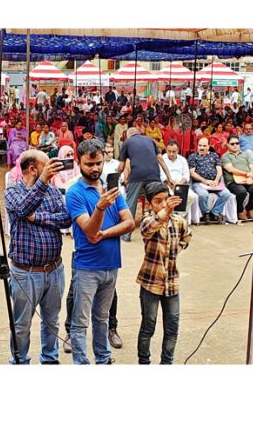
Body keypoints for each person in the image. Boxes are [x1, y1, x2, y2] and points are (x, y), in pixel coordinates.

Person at [65, 139, 135, 364]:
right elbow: (88, 229)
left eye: (99, 163)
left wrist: (105, 234)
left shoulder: (111, 188)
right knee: (80, 321)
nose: (95, 168)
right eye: (89, 164)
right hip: (86, 266)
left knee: (102, 318)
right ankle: (81, 363)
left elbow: (129, 223)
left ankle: (103, 359)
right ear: (79, 163)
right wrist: (101, 207)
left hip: (111, 265)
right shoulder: (74, 193)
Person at [4, 150, 71, 364]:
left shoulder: (51, 190)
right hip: (26, 272)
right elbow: (24, 209)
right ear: (33, 169)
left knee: (51, 321)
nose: (50, 171)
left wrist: (39, 218)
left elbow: (65, 219)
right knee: (22, 325)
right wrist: (42, 182)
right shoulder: (13, 192)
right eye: (46, 167)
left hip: (54, 269)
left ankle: (50, 359)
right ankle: (20, 361)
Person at [136, 182, 192, 365]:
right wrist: (164, 212)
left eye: (166, 200)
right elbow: (146, 229)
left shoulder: (179, 221)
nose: (163, 204)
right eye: (157, 201)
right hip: (151, 282)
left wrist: (178, 249)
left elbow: (188, 236)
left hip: (172, 283)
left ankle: (166, 363)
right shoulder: (148, 219)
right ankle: (144, 362)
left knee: (172, 328)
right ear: (150, 204)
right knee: (148, 327)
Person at [116, 128, 174, 242]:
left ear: (128, 135)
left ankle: (126, 236)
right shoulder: (150, 140)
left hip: (136, 175)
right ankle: (162, 231)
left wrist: (115, 176)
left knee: (130, 203)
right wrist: (169, 177)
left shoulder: (127, 142)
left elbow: (122, 166)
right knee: (157, 202)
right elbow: (161, 160)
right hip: (153, 174)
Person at [188, 137, 232, 224]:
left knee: (226, 194)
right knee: (203, 194)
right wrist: (205, 181)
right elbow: (192, 173)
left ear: (208, 146)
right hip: (199, 183)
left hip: (214, 183)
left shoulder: (214, 155)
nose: (201, 148)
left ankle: (215, 212)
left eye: (204, 146)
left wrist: (216, 180)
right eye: (200, 145)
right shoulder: (193, 156)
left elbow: (219, 170)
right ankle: (206, 213)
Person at [222, 134, 253, 220]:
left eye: (237, 143)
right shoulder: (225, 156)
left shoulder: (246, 154)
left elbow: (252, 167)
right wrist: (246, 174)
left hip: (248, 179)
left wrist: (251, 176)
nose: (235, 145)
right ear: (227, 144)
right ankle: (239, 211)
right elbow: (231, 169)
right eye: (232, 144)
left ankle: (249, 209)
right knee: (241, 191)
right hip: (233, 181)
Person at [160, 140, 197, 219]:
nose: (171, 154)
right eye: (169, 151)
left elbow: (186, 175)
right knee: (170, 197)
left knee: (192, 196)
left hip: (180, 185)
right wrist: (169, 182)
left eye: (174, 151)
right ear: (166, 149)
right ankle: (171, 216)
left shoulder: (182, 160)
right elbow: (161, 175)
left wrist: (179, 183)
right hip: (166, 185)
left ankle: (178, 216)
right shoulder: (162, 159)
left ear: (178, 150)